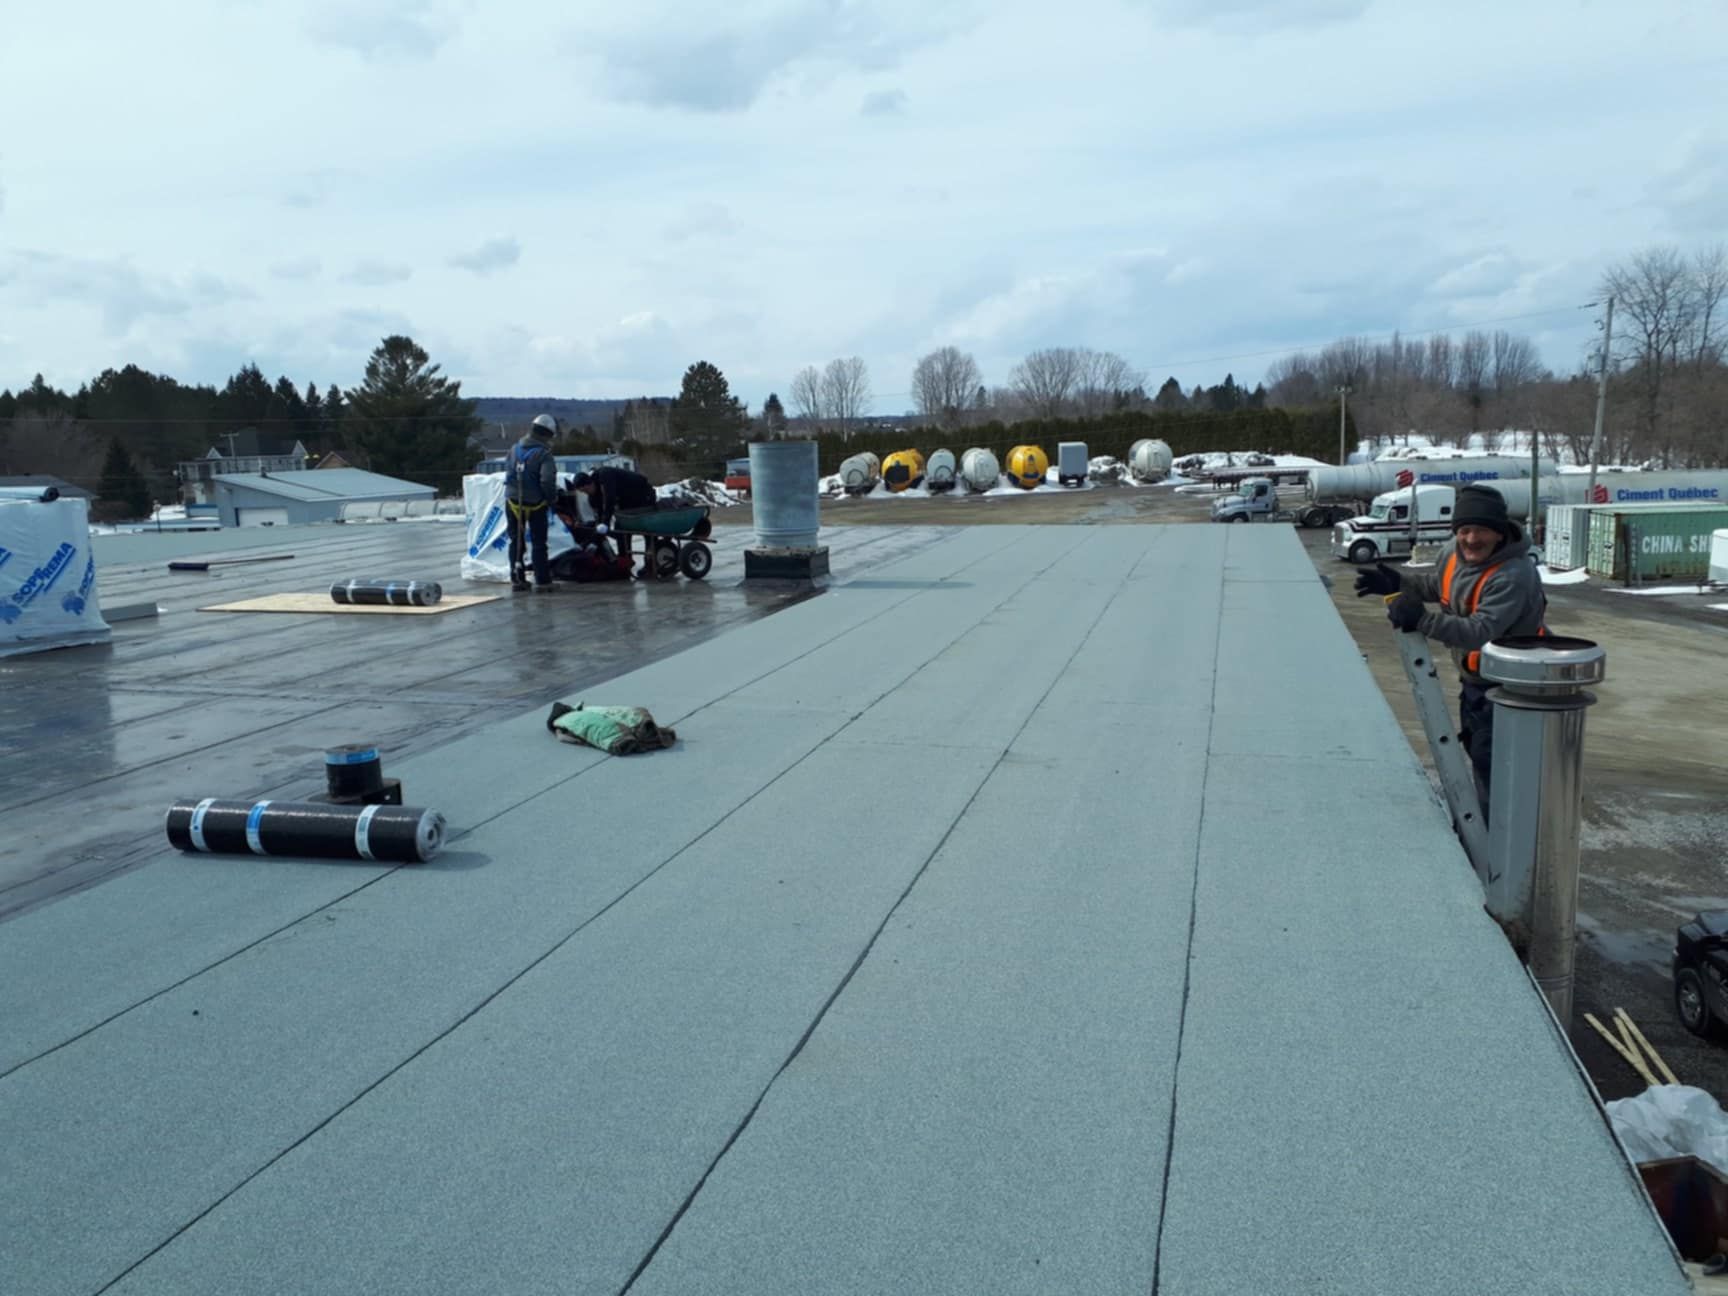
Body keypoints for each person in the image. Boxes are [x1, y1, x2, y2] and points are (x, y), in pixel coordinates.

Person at [1355, 483, 1547, 820]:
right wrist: (1399, 584)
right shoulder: (1453, 553)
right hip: (1476, 682)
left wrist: (1423, 620)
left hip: (1512, 689)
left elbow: (1479, 631)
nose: (1472, 539)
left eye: (1482, 530)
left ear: (1500, 534)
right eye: (1465, 530)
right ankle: (1487, 835)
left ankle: (1499, 850)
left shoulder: (1513, 575)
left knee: (1498, 769)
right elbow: (1438, 587)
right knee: (1481, 756)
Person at [506, 414, 560, 592]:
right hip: (535, 504)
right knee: (538, 543)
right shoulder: (543, 454)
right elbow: (547, 481)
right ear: (548, 435)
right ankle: (543, 581)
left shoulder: (514, 449)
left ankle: (517, 579)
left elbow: (509, 472)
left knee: (516, 541)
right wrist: (551, 500)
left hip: (513, 502)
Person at [572, 465, 658, 572]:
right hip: (627, 501)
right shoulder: (594, 496)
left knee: (646, 528)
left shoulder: (605, 475)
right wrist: (596, 536)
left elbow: (610, 499)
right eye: (583, 492)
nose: (587, 493)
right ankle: (625, 561)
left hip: (642, 494)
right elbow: (599, 515)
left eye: (586, 490)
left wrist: (605, 522)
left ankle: (650, 562)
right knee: (621, 528)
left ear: (590, 483)